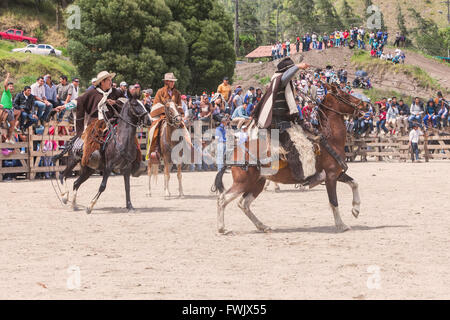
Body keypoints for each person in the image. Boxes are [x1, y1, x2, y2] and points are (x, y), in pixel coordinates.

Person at [55, 71, 131, 170]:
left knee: (127, 133)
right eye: (108, 80)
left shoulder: (116, 92)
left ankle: (131, 160)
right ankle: (88, 159)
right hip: (96, 122)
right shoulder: (92, 93)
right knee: (90, 140)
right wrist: (64, 106)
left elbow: (126, 101)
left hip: (112, 121)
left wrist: (115, 102)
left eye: (110, 80)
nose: (110, 82)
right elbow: (78, 101)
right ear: (102, 82)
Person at [1, 73, 20, 143]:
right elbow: (5, 84)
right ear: (8, 87)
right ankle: (7, 137)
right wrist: (7, 76)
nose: (12, 87)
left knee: (13, 124)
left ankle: (8, 139)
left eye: (12, 86)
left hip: (10, 110)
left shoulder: (10, 95)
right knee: (11, 124)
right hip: (5, 110)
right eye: (10, 86)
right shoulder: (6, 91)